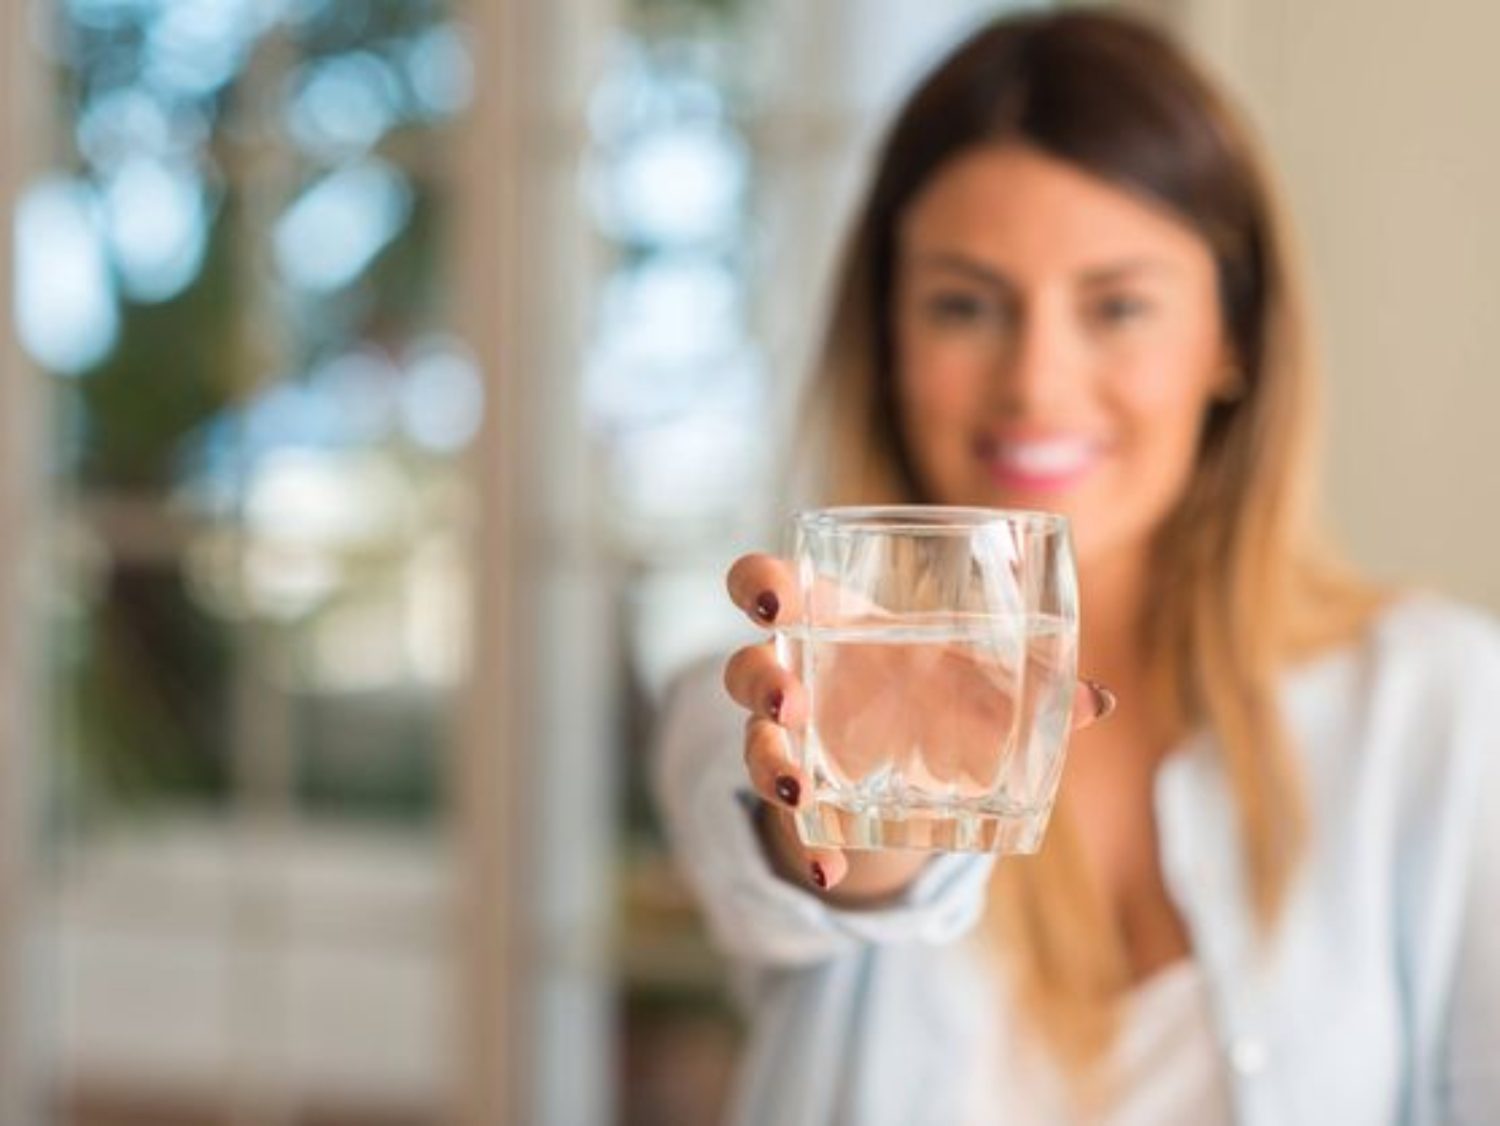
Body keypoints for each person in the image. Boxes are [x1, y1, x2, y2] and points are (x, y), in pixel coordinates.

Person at [652, 9, 1499, 1124]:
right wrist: (851, 828)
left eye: (1118, 306)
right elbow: (785, 859)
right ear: (890, 335)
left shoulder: (1439, 703)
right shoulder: (762, 699)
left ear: (1231, 335)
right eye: (965, 304)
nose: (1037, 383)